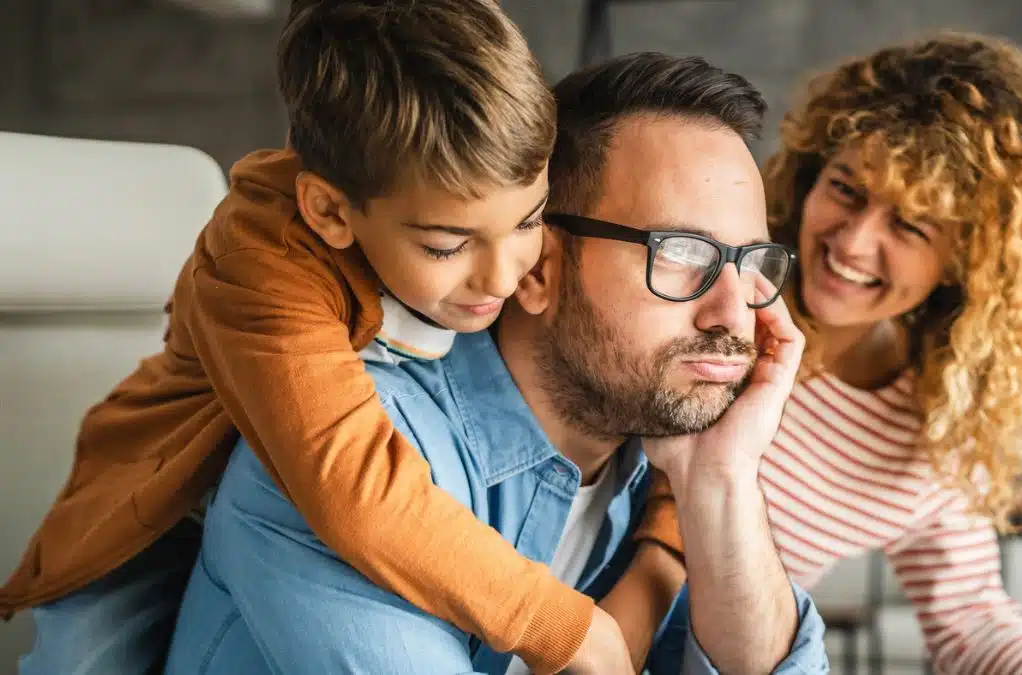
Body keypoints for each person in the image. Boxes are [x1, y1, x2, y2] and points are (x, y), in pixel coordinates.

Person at [5, 3, 685, 674]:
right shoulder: (259, 264)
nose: (504, 276)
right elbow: (355, 489)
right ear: (330, 212)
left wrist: (670, 527)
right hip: (170, 502)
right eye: (447, 245)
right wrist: (562, 625)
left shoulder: (473, 227)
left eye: (529, 221)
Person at [161, 51, 830, 675]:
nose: (732, 314)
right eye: (682, 253)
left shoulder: (648, 464)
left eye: (752, 262)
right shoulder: (343, 464)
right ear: (536, 266)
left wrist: (720, 481)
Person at [757, 32, 1022, 674]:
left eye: (910, 225)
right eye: (847, 189)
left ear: (967, 259)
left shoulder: (937, 424)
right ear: (811, 171)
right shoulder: (719, 284)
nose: (853, 242)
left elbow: (971, 622)